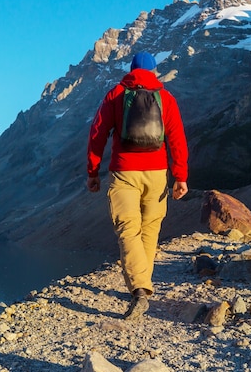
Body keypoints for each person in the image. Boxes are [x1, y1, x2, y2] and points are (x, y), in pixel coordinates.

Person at [87, 51, 189, 320]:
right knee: (150, 229)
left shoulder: (116, 95)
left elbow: (97, 134)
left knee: (128, 229)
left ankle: (140, 290)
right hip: (157, 173)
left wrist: (93, 171)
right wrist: (180, 177)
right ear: (155, 72)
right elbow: (177, 138)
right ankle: (141, 286)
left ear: (131, 71)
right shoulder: (165, 98)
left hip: (124, 173)